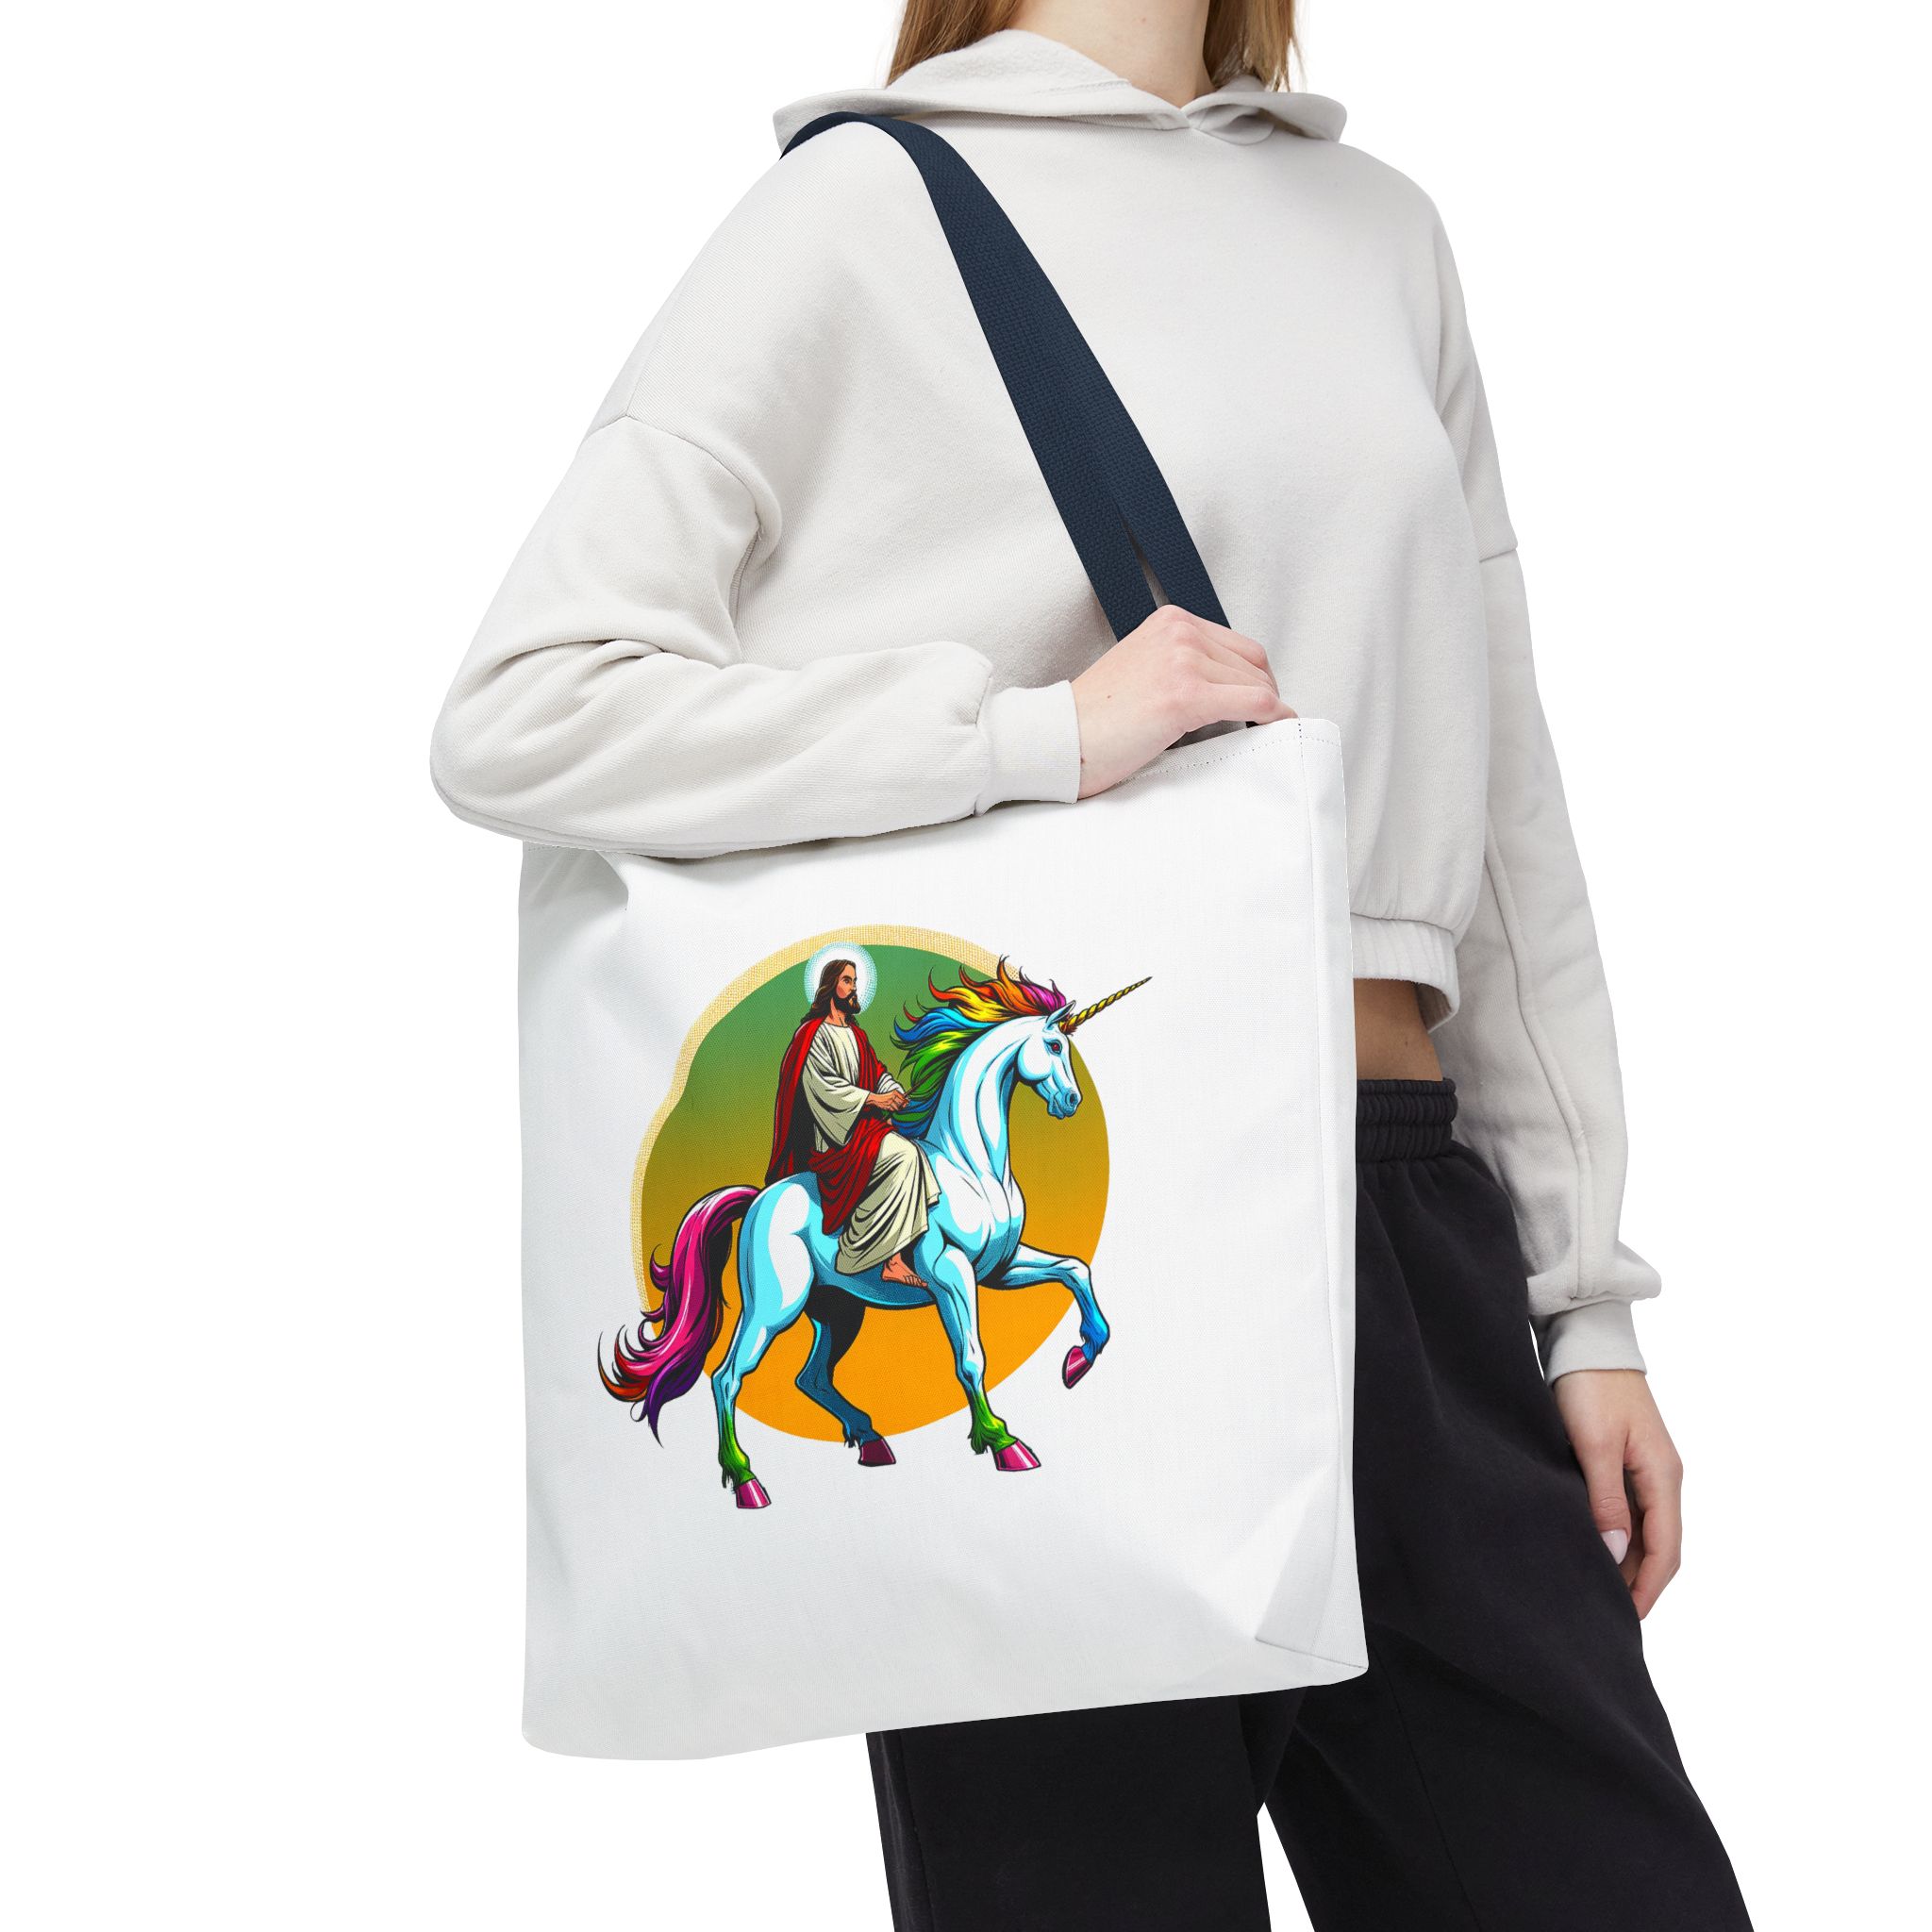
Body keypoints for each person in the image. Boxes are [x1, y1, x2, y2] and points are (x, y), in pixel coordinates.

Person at [432, 1, 1753, 1924]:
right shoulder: (856, 215)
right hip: (1096, 1194)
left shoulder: (1378, 232)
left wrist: (1582, 1296)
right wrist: (1026, 737)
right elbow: (525, 707)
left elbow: (1500, 802)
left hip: (1407, 1214)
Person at [769, 957, 938, 1286]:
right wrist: (875, 1100)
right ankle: (877, 1257)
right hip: (834, 1139)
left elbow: (876, 1072)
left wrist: (892, 1092)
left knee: (913, 1151)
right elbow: (825, 1089)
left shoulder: (856, 1035)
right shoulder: (813, 1035)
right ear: (831, 986)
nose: (853, 988)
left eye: (855, 981)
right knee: (904, 1155)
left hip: (860, 1129)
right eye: (847, 981)